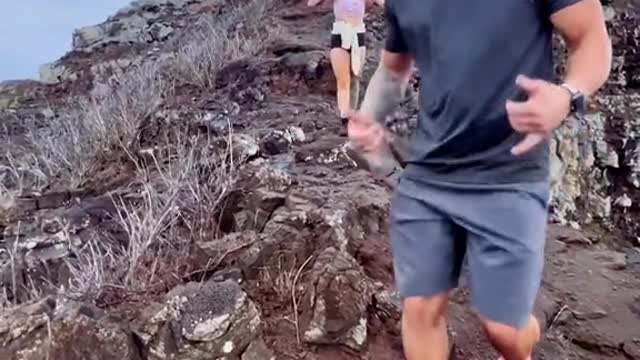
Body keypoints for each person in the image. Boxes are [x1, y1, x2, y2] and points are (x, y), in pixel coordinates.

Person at [348, 0, 612, 359]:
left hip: (508, 174)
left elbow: (590, 38)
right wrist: (369, 116)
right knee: (420, 309)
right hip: (427, 174)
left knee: (504, 330)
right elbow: (393, 70)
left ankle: (522, 327)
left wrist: (567, 95)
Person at [307, 0, 384, 134]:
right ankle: (344, 118)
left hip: (358, 33)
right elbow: (311, 4)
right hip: (341, 33)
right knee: (343, 80)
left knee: (355, 78)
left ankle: (352, 117)